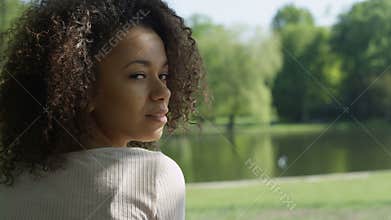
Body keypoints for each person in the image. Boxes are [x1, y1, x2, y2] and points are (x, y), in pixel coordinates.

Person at [0, 0, 209, 219]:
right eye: (138, 75)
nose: (163, 92)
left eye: (163, 75)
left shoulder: (10, 184)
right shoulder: (152, 174)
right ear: (82, 89)